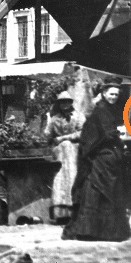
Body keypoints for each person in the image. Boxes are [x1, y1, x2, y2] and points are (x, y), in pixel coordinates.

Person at [63, 81, 131, 243]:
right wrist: (120, 139)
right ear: (104, 93)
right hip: (101, 155)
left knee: (101, 190)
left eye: (116, 95)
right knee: (99, 189)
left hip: (105, 153)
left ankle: (96, 230)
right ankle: (95, 231)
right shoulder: (101, 110)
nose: (114, 97)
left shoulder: (107, 109)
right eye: (111, 94)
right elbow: (107, 134)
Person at [44, 91, 81, 224]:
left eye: (67, 102)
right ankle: (61, 213)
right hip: (60, 153)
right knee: (60, 180)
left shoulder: (78, 116)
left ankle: (75, 211)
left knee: (73, 176)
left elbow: (84, 132)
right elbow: (47, 135)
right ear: (58, 104)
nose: (65, 104)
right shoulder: (55, 119)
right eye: (62, 102)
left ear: (71, 103)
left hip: (75, 152)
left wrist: (65, 138)